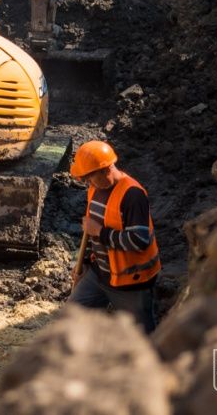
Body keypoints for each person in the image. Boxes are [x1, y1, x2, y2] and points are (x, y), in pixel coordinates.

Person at [68, 140, 161, 334]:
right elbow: (92, 232)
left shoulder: (133, 195)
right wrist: (84, 263)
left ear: (106, 170)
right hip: (100, 275)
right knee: (71, 317)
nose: (88, 183)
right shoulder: (95, 189)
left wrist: (99, 232)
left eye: (90, 177)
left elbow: (139, 240)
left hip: (131, 283)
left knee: (141, 336)